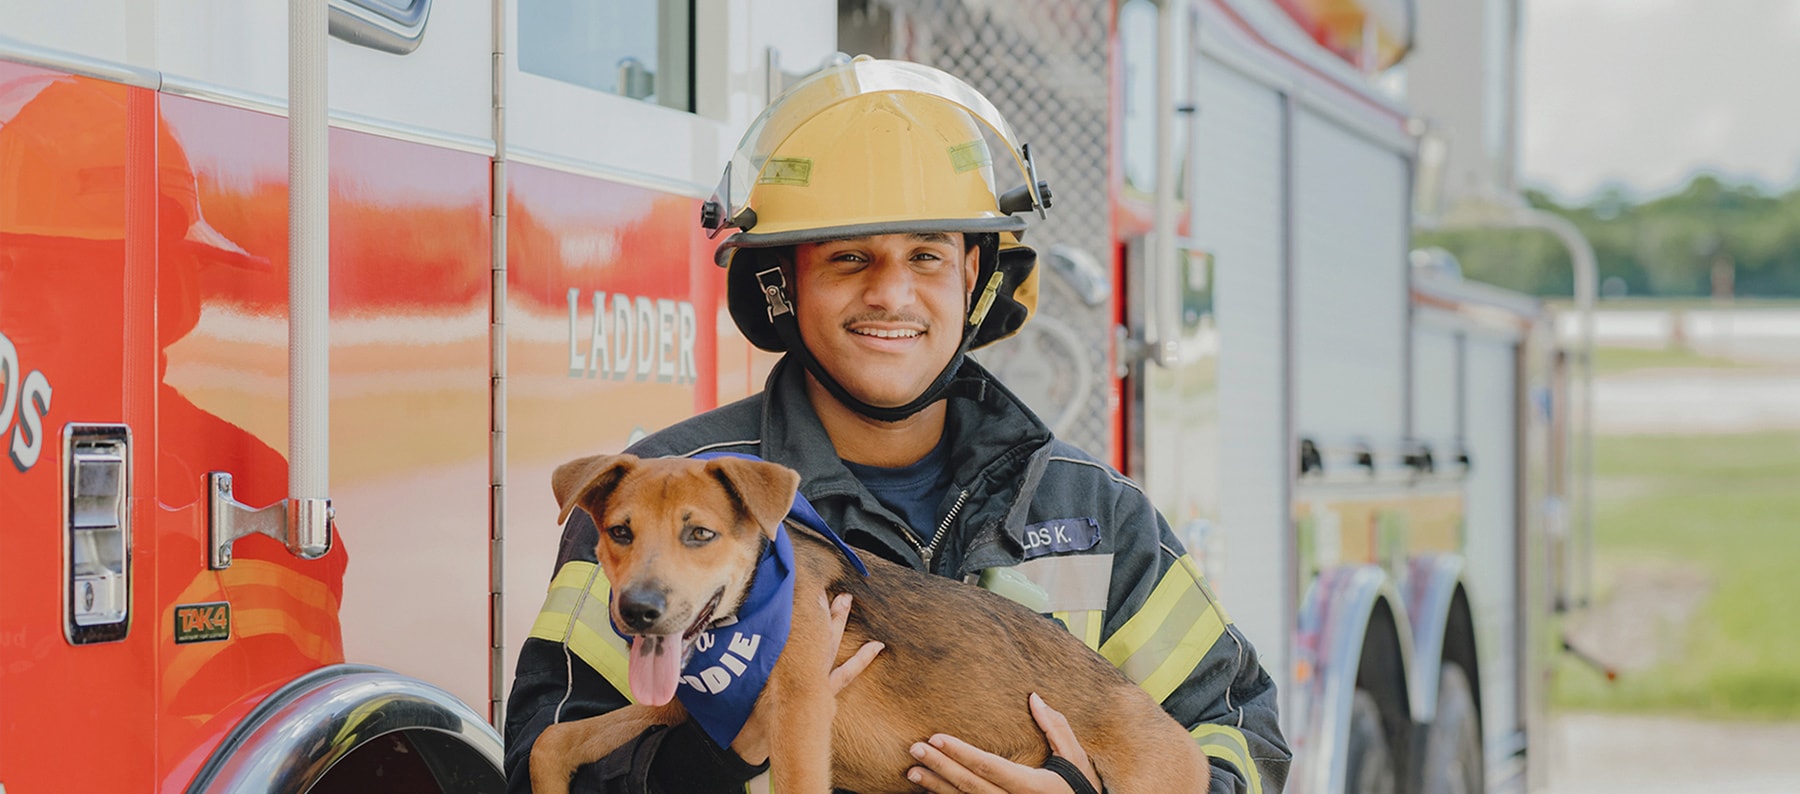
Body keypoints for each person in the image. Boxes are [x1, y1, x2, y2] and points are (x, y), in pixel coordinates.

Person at [505, 57, 1289, 794]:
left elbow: (1241, 740)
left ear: (975, 277)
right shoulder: (660, 493)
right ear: (783, 283)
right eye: (850, 258)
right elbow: (545, 756)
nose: (892, 294)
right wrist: (714, 751)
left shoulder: (1093, 515)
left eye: (926, 257)